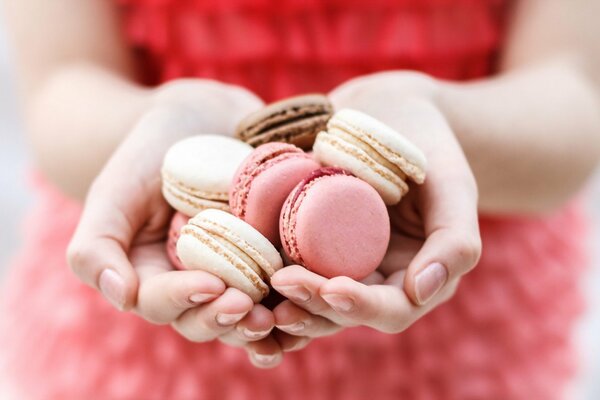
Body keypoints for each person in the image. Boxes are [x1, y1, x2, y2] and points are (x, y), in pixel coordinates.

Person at [1, 0, 599, 398]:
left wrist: (444, 119)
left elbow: (574, 88)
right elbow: (61, 81)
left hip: (459, 320)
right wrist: (155, 124)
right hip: (156, 311)